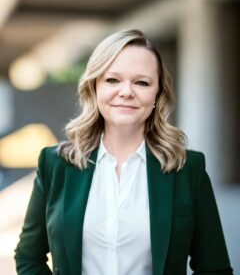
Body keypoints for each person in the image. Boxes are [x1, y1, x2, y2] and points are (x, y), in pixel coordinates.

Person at [15, 29, 233, 275]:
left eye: (142, 82)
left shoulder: (187, 168)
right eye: (112, 80)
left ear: (157, 94)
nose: (126, 91)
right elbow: (28, 257)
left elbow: (214, 269)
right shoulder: (55, 164)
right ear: (94, 87)